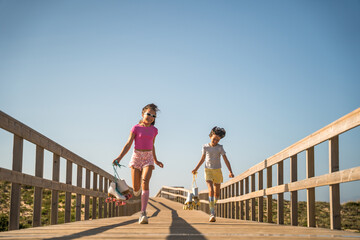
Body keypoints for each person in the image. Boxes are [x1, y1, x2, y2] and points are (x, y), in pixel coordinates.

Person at [113, 103, 164, 224]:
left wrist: (156, 160)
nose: (151, 117)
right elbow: (128, 144)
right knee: (136, 188)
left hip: (148, 157)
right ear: (142, 114)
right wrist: (119, 157)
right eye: (149, 114)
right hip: (136, 156)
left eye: (154, 116)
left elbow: (152, 145)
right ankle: (136, 191)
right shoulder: (135, 128)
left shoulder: (154, 130)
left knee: (145, 181)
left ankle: (143, 213)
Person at [192, 126, 234, 222]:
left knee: (217, 193)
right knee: (210, 190)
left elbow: (225, 159)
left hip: (217, 171)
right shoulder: (205, 147)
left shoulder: (220, 148)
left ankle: (212, 206)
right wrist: (196, 168)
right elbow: (202, 159)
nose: (215, 141)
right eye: (214, 139)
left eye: (217, 140)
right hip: (208, 171)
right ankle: (212, 213)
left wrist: (230, 171)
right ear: (210, 136)